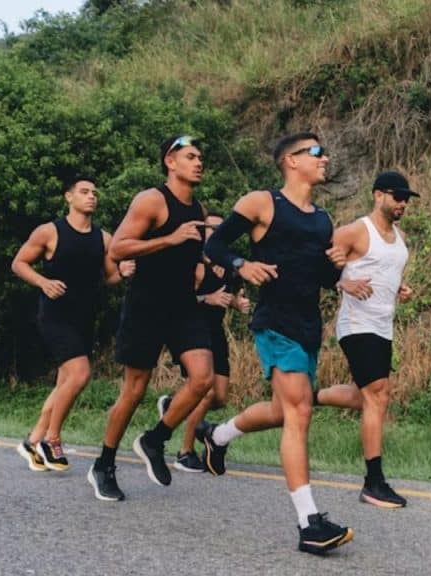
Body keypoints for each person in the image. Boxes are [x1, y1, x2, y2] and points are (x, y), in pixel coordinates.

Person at [203, 132, 354, 555]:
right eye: (317, 152)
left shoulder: (323, 219)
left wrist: (336, 266)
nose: (325, 159)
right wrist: (241, 264)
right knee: (300, 410)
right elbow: (213, 244)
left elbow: (322, 279)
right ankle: (309, 523)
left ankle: (217, 436)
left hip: (308, 326)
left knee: (282, 408)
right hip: (275, 323)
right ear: (291, 160)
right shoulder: (262, 203)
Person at [87, 135, 217, 501]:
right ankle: (104, 465)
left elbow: (192, 253)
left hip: (183, 306)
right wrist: (169, 239)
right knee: (134, 389)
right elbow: (118, 247)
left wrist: (205, 264)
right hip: (146, 304)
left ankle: (154, 439)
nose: (198, 162)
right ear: (169, 161)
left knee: (203, 377)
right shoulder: (152, 200)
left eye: (201, 157)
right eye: (190, 156)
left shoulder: (199, 209)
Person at [11, 177, 134, 472]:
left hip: (84, 317)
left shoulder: (103, 238)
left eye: (94, 192)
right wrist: (43, 282)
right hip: (54, 315)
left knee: (66, 381)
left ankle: (33, 439)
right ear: (69, 197)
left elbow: (109, 278)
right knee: (80, 374)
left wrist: (125, 272)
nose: (91, 196)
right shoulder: (50, 232)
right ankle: (52, 438)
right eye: (84, 192)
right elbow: (19, 263)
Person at [314, 171, 417, 508]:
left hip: (383, 325)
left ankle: (310, 396)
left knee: (365, 397)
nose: (402, 203)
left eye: (406, 198)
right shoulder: (355, 231)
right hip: (357, 324)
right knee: (379, 395)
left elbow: (385, 272)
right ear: (378, 195)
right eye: (396, 196)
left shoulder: (399, 240)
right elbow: (313, 264)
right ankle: (374, 482)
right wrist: (343, 284)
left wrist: (398, 288)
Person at [156, 212, 251, 473]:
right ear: (204, 234)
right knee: (205, 391)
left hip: (216, 332)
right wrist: (205, 299)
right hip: (193, 331)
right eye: (212, 228)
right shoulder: (195, 265)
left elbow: (228, 296)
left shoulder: (231, 267)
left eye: (222, 229)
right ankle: (185, 452)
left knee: (219, 397)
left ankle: (172, 404)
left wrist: (236, 303)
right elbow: (174, 298)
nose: (217, 232)